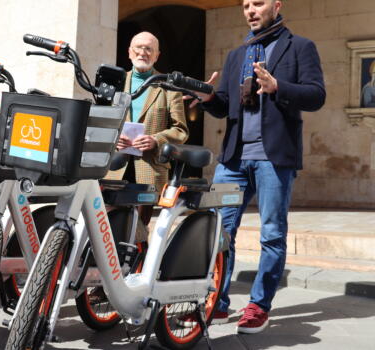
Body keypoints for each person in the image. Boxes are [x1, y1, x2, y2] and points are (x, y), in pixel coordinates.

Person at [190, 0, 325, 334]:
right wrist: (208, 98)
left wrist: (278, 87)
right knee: (219, 232)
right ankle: (217, 304)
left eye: (258, 3)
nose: (251, 10)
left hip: (274, 157)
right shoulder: (238, 55)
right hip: (233, 159)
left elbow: (316, 95)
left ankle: (258, 306)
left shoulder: (300, 47)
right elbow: (224, 107)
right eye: (246, 5)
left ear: (276, 5)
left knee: (272, 234)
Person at [109, 31, 189, 227]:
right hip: (114, 168)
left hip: (149, 169)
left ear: (156, 55)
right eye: (138, 47)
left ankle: (139, 257)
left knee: (138, 231)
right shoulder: (114, 84)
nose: (143, 52)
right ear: (129, 52)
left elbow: (181, 130)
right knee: (107, 226)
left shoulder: (169, 87)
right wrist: (113, 137)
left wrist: (156, 140)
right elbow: (100, 121)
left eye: (149, 49)